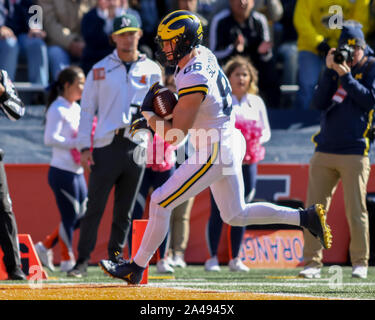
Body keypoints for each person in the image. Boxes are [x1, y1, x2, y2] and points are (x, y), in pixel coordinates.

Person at [99, 10, 332, 284]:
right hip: (226, 139)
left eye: (170, 41)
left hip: (215, 148)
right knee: (236, 214)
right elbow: (191, 108)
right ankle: (305, 218)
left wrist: (150, 118)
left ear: (185, 41)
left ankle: (136, 267)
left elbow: (176, 137)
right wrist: (162, 110)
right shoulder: (202, 55)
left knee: (161, 200)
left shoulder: (194, 76)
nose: (164, 47)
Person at [68, 13, 162, 277]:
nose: (127, 38)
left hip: (137, 144)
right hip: (106, 142)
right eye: (122, 33)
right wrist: (84, 147)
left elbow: (158, 109)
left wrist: (153, 140)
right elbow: (87, 111)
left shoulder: (152, 69)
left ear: (140, 34)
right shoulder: (99, 69)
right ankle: (81, 261)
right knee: (94, 205)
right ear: (113, 38)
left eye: (132, 32)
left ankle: (116, 260)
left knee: (126, 209)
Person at [299, 23, 375, 280]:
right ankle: (311, 262)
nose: (351, 55)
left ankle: (360, 262)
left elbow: (369, 100)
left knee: (356, 210)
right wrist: (331, 72)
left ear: (364, 48)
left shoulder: (372, 66)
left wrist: (346, 76)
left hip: (355, 150)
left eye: (355, 49)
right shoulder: (333, 68)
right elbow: (318, 102)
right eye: (347, 49)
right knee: (314, 210)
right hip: (325, 149)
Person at [204, 55, 271, 272]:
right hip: (224, 159)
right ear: (228, 77)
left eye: (245, 74)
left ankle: (236, 258)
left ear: (251, 78)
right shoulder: (221, 100)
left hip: (248, 161)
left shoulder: (257, 101)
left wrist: (254, 141)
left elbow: (266, 132)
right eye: (236, 74)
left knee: (242, 208)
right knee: (217, 209)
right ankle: (212, 257)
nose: (241, 78)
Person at [34, 66, 88, 273]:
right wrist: (75, 142)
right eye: (79, 83)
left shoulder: (76, 107)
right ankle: (66, 259)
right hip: (61, 170)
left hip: (77, 170)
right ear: (67, 85)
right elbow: (49, 139)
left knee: (83, 214)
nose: (82, 88)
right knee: (69, 216)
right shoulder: (57, 108)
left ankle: (45, 245)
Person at [293, 0, 371, 110]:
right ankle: (301, 119)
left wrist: (342, 42)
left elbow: (360, 23)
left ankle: (335, 118)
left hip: (346, 49)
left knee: (347, 84)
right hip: (311, 47)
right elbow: (301, 19)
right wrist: (318, 42)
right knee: (307, 85)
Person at [209, 0, 281, 108]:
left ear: (253, 2)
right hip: (228, 66)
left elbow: (266, 54)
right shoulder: (219, 20)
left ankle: (274, 111)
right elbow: (213, 53)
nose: (242, 2)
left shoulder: (260, 20)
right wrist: (233, 48)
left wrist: (263, 52)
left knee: (271, 71)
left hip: (255, 66)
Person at [0, 69, 27, 280]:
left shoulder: (1, 75)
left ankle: (14, 268)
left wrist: (1, 92)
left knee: (4, 208)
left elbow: (17, 112)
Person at [37, 0, 96, 80]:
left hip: (85, 44)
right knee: (57, 56)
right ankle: (63, 90)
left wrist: (83, 43)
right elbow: (50, 24)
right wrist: (71, 42)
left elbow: (95, 20)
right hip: (56, 44)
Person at [0, 0, 48, 86]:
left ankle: (39, 92)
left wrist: (35, 29)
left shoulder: (28, 2)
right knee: (9, 44)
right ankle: (5, 91)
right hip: (5, 40)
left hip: (24, 38)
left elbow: (33, 14)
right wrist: (1, 27)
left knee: (37, 43)